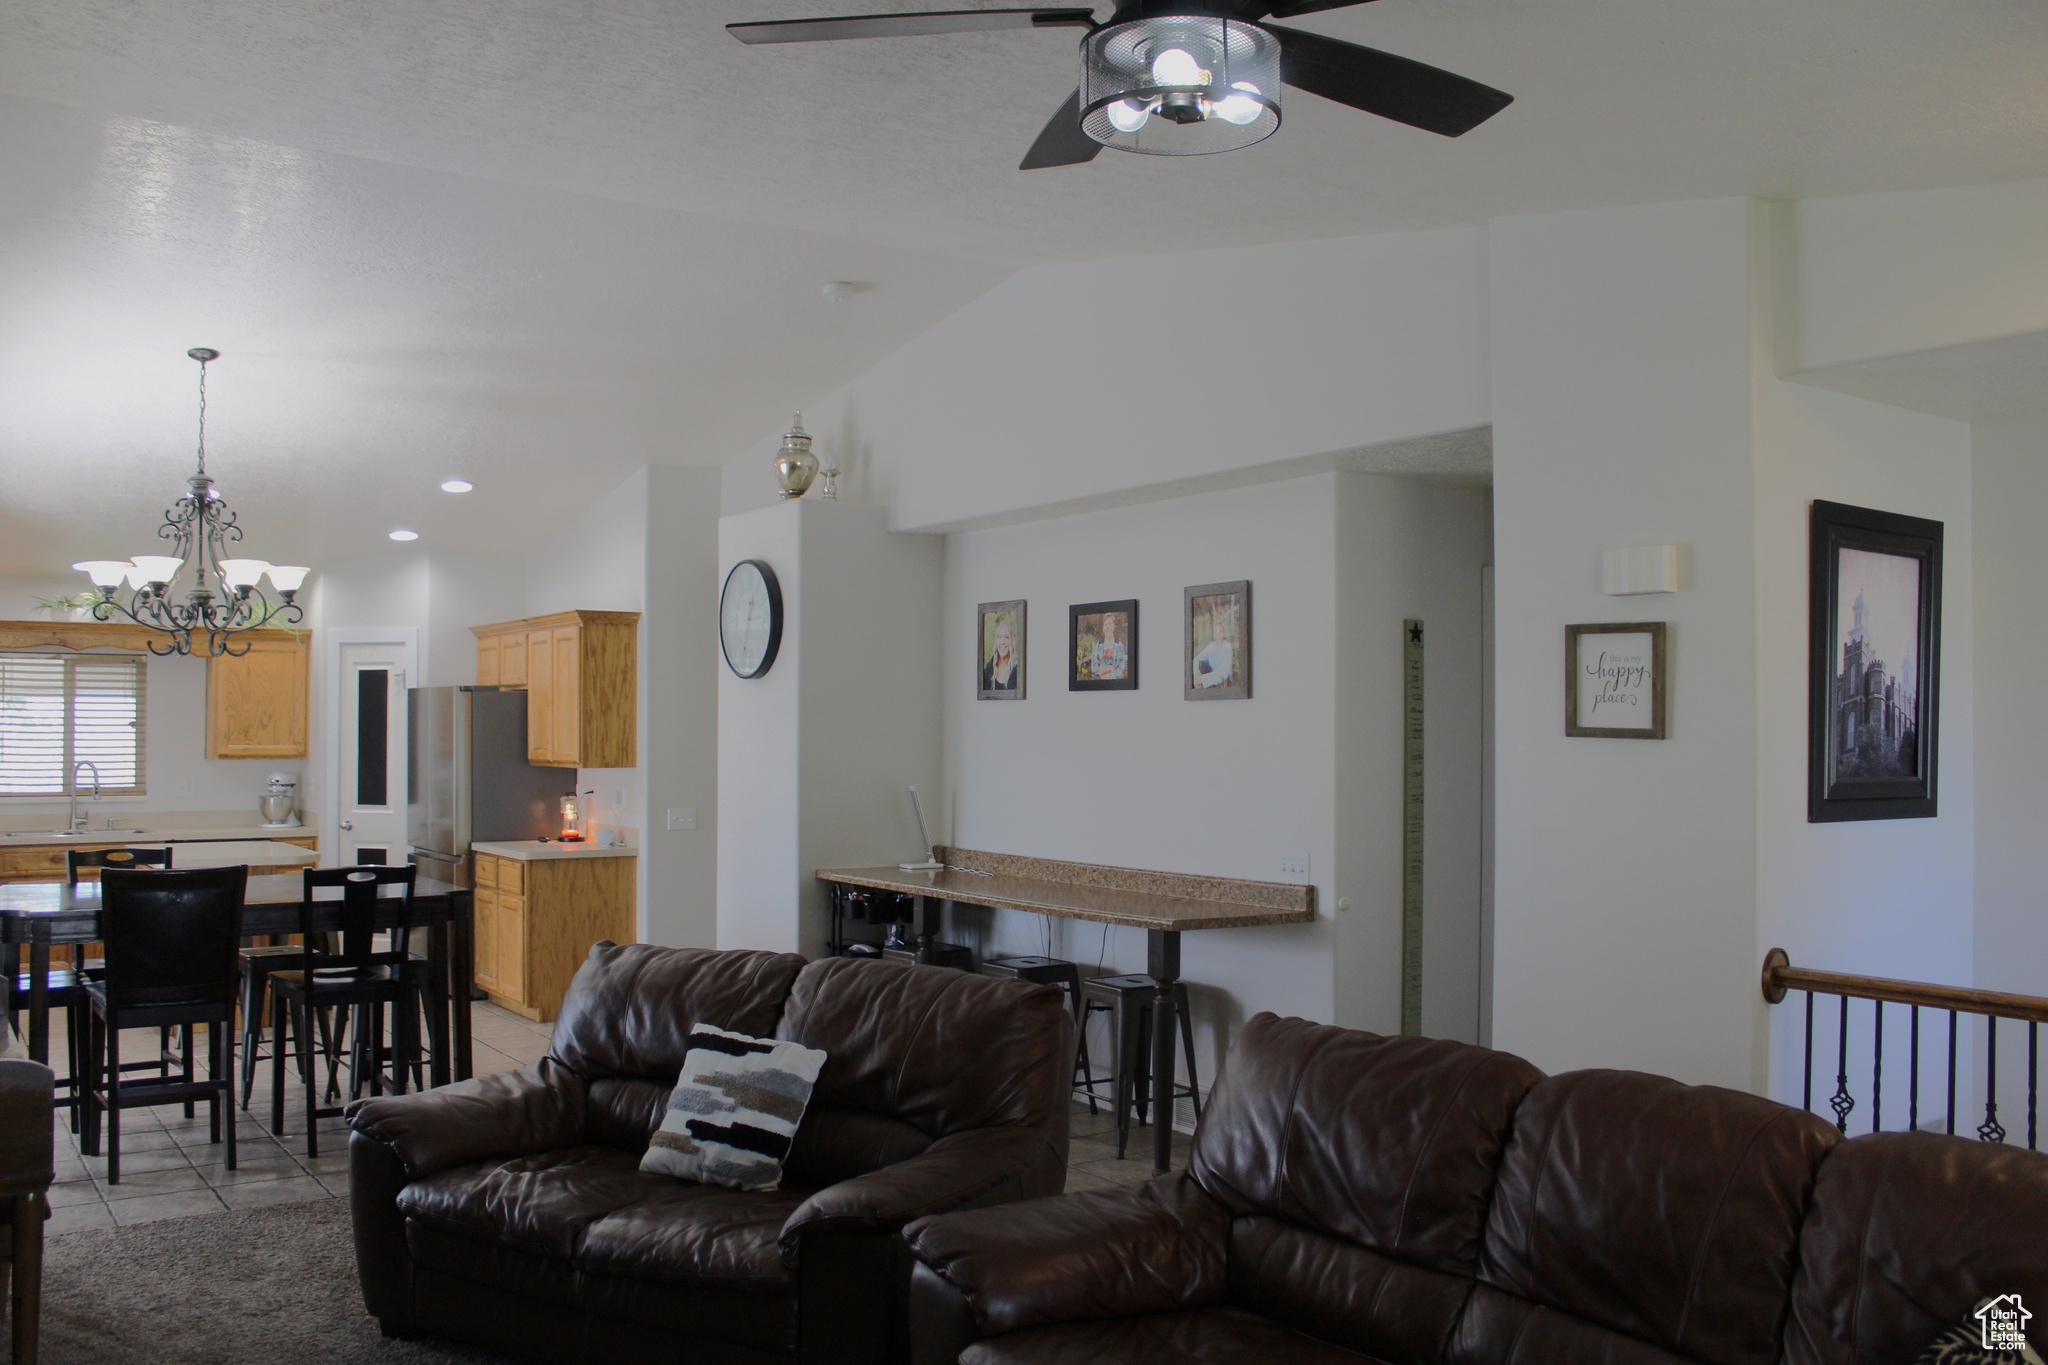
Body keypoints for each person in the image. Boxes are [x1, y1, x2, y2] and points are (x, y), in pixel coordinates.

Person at [1192, 607, 1234, 687]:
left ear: (1224, 633)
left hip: (1222, 680)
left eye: (1220, 630)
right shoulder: (1211, 646)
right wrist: (1197, 674)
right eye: (1215, 631)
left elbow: (1224, 672)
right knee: (1200, 664)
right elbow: (1196, 659)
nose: (1217, 633)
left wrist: (1202, 678)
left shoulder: (1227, 647)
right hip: (1208, 678)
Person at [982, 614, 1019, 691]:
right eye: (999, 637)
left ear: (1011, 641)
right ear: (996, 641)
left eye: (1006, 637)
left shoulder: (1017, 669)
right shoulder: (989, 669)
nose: (1002, 642)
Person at [1090, 614, 1127, 680]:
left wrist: (1110, 676)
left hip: (1115, 684)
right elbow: (1094, 667)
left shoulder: (1119, 645)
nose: (1108, 626)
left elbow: (1121, 668)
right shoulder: (1098, 645)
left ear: (1114, 626)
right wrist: (1109, 668)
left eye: (1110, 624)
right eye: (1106, 624)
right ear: (1103, 628)